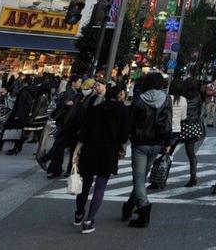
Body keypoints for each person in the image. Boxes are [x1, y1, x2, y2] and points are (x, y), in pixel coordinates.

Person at [71, 82, 126, 233]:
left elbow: (84, 131)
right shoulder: (123, 111)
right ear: (120, 95)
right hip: (108, 152)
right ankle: (89, 221)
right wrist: (122, 148)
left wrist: (76, 151)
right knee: (100, 187)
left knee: (85, 184)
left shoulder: (95, 109)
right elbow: (123, 135)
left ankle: (79, 213)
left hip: (90, 149)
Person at [123, 72, 171, 228]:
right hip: (157, 143)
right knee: (141, 177)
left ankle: (143, 208)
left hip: (140, 143)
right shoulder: (166, 99)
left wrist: (124, 142)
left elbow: (130, 122)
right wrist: (167, 142)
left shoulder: (139, 99)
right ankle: (129, 205)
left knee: (138, 177)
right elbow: (168, 123)